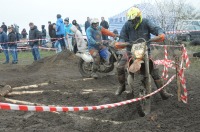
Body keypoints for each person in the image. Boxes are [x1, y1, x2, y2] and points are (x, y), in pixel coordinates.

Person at [115, 7, 172, 100]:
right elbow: (122, 36)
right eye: (131, 20)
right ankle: (122, 86)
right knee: (119, 67)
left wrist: (160, 33)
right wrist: (121, 42)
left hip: (145, 50)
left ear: (139, 17)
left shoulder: (145, 22)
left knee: (155, 71)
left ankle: (163, 92)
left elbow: (156, 28)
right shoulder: (127, 25)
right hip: (130, 51)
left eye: (134, 19)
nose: (133, 21)